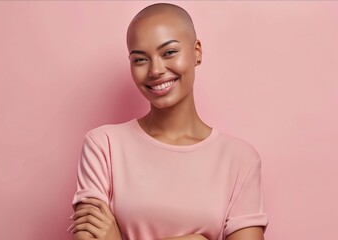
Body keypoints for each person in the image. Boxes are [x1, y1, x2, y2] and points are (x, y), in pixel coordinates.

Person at [68, 3, 268, 240]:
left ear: (197, 52)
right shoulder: (104, 145)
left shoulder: (239, 159)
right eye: (140, 59)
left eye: (169, 52)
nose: (155, 70)